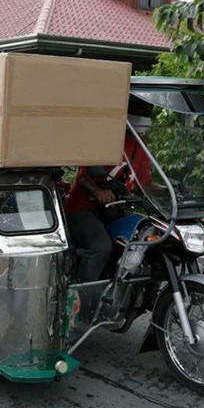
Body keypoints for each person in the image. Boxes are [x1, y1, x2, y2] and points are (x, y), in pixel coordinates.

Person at [64, 115, 154, 283]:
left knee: (148, 233)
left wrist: (174, 191)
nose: (144, 112)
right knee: (101, 246)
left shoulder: (140, 145)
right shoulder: (106, 138)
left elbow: (146, 183)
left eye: (147, 109)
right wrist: (98, 191)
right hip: (81, 209)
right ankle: (83, 300)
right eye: (139, 107)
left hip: (114, 210)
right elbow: (84, 176)